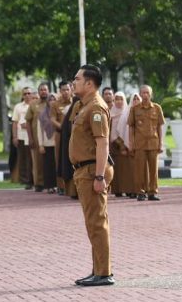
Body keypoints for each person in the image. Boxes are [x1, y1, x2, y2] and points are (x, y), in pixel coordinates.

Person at [69, 64, 114, 287]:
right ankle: (98, 269)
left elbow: (102, 142)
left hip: (92, 171)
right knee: (92, 222)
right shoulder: (82, 106)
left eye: (77, 79)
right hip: (84, 170)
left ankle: (104, 272)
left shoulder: (96, 108)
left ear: (89, 83)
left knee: (97, 222)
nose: (73, 82)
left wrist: (99, 177)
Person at [128, 85, 165, 201]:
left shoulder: (157, 108)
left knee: (153, 169)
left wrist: (161, 143)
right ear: (140, 94)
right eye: (143, 93)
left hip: (153, 142)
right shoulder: (134, 109)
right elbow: (131, 127)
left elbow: (159, 127)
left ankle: (152, 192)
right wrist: (131, 143)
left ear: (151, 94)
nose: (145, 95)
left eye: (147, 93)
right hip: (139, 143)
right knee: (140, 169)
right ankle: (140, 192)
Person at [51, 81, 74, 196]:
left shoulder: (76, 102)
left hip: (74, 135)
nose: (65, 92)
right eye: (63, 90)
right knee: (60, 159)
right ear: (59, 91)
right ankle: (61, 186)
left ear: (71, 90)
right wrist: (63, 127)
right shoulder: (55, 104)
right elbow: (52, 119)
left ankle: (73, 186)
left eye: (67, 89)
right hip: (60, 135)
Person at [26, 83, 50, 192]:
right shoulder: (33, 104)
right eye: (41, 90)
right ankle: (39, 183)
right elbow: (28, 122)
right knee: (37, 162)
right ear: (38, 92)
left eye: (45, 90)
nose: (43, 92)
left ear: (48, 91)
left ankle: (51, 183)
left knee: (51, 161)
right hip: (37, 138)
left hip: (51, 138)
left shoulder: (53, 103)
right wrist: (30, 138)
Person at [109, 92, 132, 197]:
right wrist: (120, 145)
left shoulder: (128, 113)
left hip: (128, 145)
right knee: (116, 169)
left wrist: (125, 145)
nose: (119, 101)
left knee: (127, 169)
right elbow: (110, 132)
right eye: (116, 99)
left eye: (121, 99)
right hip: (114, 146)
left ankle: (128, 189)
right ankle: (117, 190)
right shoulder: (110, 114)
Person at [11, 88, 34, 189]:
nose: (27, 95)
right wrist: (15, 136)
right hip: (21, 135)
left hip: (32, 136)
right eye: (25, 94)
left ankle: (34, 179)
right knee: (23, 159)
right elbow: (15, 122)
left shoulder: (34, 105)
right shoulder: (18, 107)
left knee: (32, 159)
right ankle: (25, 181)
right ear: (22, 95)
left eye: (29, 93)